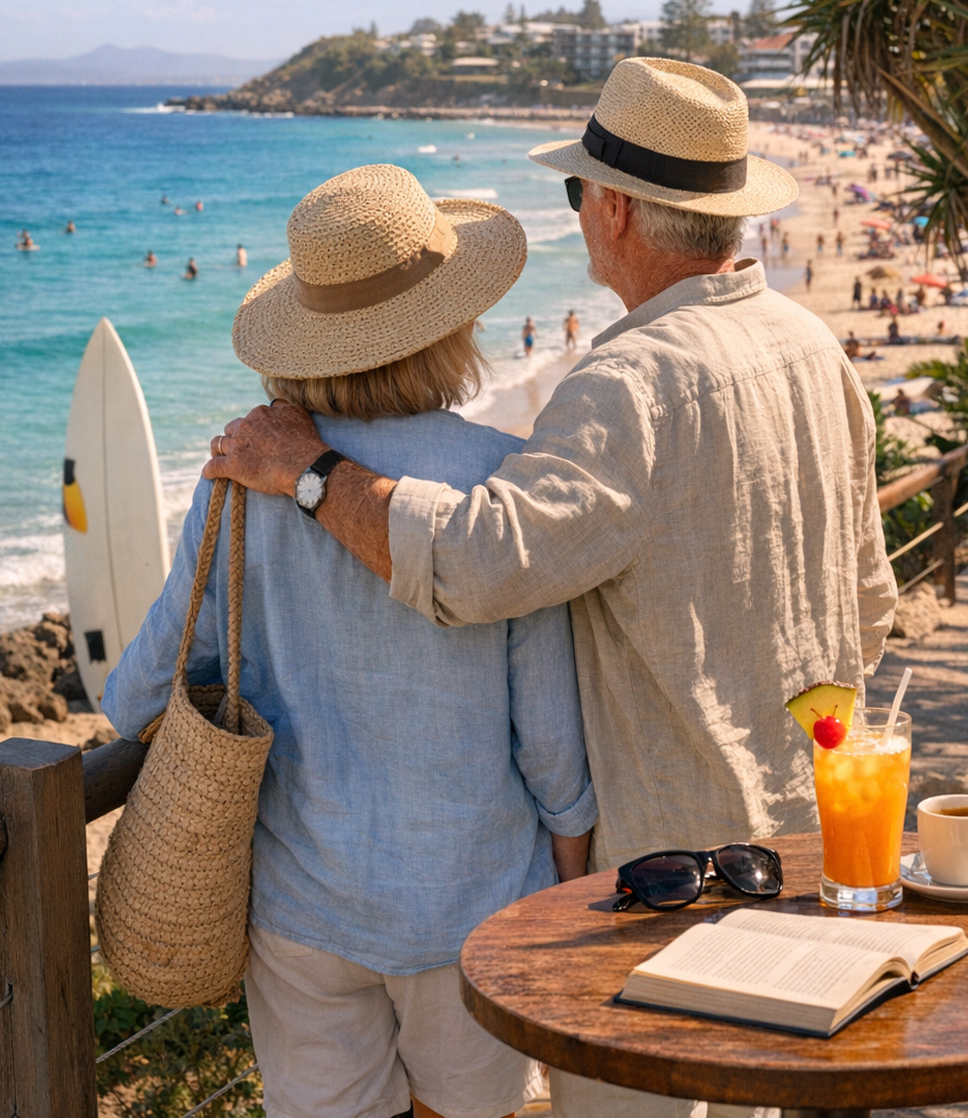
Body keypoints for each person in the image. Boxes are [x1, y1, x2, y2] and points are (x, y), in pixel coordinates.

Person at [209, 61, 897, 1118]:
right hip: (807, 836)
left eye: (579, 195)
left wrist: (310, 474)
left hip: (667, 881)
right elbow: (870, 604)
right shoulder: (812, 346)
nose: (580, 218)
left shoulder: (628, 385)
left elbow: (479, 564)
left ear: (614, 207)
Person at [103, 165, 596, 1118]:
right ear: (453, 323)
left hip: (305, 910)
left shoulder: (239, 479)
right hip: (476, 902)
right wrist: (564, 906)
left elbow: (138, 697)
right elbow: (551, 747)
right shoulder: (500, 481)